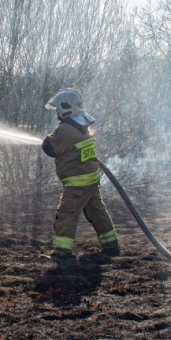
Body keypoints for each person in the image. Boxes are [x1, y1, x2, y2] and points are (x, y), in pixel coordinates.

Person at [40, 88, 120, 265]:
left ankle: (62, 252)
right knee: (96, 211)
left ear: (65, 108)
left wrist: (49, 137)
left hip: (77, 183)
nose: (57, 113)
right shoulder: (82, 125)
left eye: (58, 109)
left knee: (67, 213)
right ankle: (111, 244)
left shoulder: (65, 129)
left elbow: (49, 148)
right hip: (91, 178)